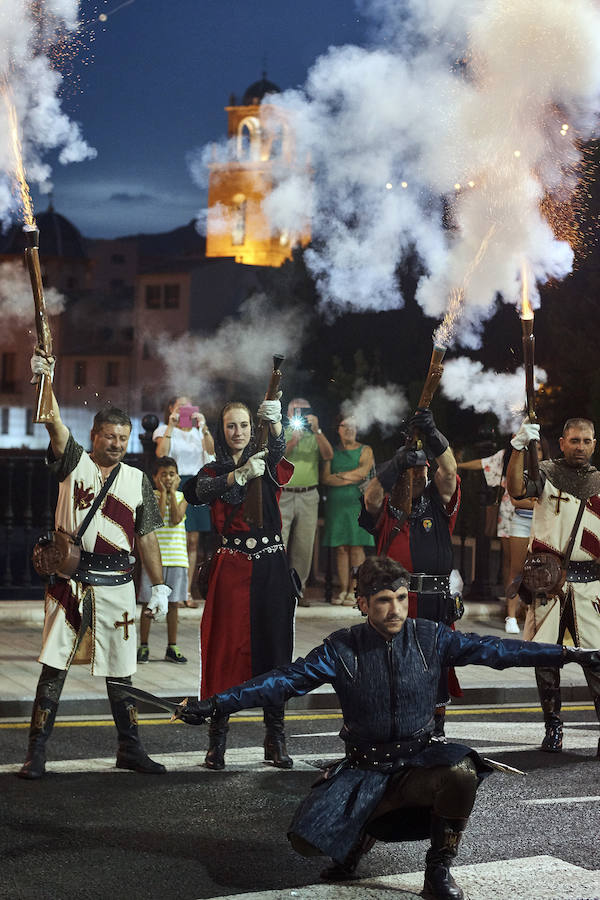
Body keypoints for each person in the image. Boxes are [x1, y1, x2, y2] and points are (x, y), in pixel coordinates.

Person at [172, 555, 600, 899]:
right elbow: (279, 682)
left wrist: (570, 655)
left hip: (419, 760)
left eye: (400, 598)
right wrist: (215, 705)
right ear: (362, 604)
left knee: (463, 771)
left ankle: (438, 871)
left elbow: (497, 650)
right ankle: (358, 836)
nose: (395, 609)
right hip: (363, 767)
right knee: (306, 842)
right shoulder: (341, 648)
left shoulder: (432, 637)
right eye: (382, 601)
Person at [19, 349, 171, 779]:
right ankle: (37, 751)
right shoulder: (74, 461)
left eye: (123, 438)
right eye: (110, 436)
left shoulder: (138, 480)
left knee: (121, 670)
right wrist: (44, 379)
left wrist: (159, 586)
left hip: (119, 583)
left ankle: (130, 748)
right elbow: (52, 422)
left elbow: (146, 538)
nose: (118, 444)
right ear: (95, 434)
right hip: (71, 582)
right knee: (54, 665)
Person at [182, 394, 297, 770]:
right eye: (231, 425)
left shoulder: (266, 461)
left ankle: (275, 737)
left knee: (275, 650)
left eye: (245, 425)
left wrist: (277, 423)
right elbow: (199, 493)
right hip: (231, 566)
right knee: (223, 649)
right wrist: (237, 476)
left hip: (271, 567)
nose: (238, 432)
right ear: (221, 430)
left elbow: (278, 450)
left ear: (253, 428)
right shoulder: (213, 472)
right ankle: (217, 741)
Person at [361, 408, 461, 739]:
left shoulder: (439, 500)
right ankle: (394, 729)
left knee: (436, 667)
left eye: (423, 470)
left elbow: (449, 470)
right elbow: (370, 496)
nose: (420, 475)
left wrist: (434, 435)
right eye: (413, 470)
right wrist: (395, 465)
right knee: (391, 668)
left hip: (434, 602)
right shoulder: (388, 505)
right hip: (395, 602)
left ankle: (436, 731)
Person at [507, 416, 600, 756]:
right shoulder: (545, 473)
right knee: (545, 661)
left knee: (597, 661)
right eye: (574, 440)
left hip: (591, 586)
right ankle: (553, 728)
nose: (580, 446)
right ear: (562, 442)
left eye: (586, 441)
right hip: (549, 585)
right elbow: (516, 489)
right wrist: (517, 449)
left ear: (594, 444)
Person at [154, 395, 215, 606]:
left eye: (188, 406)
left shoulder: (199, 431)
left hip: (195, 484)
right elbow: (161, 454)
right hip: (173, 483)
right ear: (171, 408)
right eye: (180, 406)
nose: (184, 410)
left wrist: (204, 426)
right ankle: (165, 590)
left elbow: (212, 453)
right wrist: (171, 426)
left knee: (192, 540)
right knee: (172, 538)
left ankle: (186, 592)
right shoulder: (163, 430)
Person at [279, 397, 334, 607]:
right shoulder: (282, 433)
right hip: (284, 493)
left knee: (304, 545)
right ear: (288, 414)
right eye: (296, 411)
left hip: (309, 494)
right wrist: (293, 440)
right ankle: (278, 588)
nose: (299, 415)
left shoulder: (315, 435)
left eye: (304, 410)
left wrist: (318, 431)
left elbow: (328, 455)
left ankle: (297, 590)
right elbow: (277, 459)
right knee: (279, 543)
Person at [457, 445, 517, 631]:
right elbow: (483, 463)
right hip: (510, 511)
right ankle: (512, 612)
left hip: (535, 511)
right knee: (510, 562)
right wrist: (458, 464)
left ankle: (526, 608)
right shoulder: (506, 456)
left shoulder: (539, 460)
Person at [137, 456, 188, 664]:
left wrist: (173, 493)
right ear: (155, 477)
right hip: (154, 559)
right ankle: (144, 646)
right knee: (148, 603)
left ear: (178, 476)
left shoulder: (183, 496)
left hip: (177, 558)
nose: (168, 478)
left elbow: (175, 519)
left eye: (172, 474)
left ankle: (172, 646)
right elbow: (157, 519)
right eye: (163, 474)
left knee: (174, 604)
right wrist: (163, 494)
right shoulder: (150, 496)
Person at [321, 414, 375, 605]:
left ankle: (355, 591)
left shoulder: (365, 450)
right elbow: (325, 478)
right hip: (336, 506)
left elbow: (363, 473)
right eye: (345, 426)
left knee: (357, 547)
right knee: (341, 548)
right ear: (338, 429)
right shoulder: (331, 452)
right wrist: (349, 477)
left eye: (353, 426)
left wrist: (340, 475)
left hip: (357, 504)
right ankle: (342, 590)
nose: (349, 429)